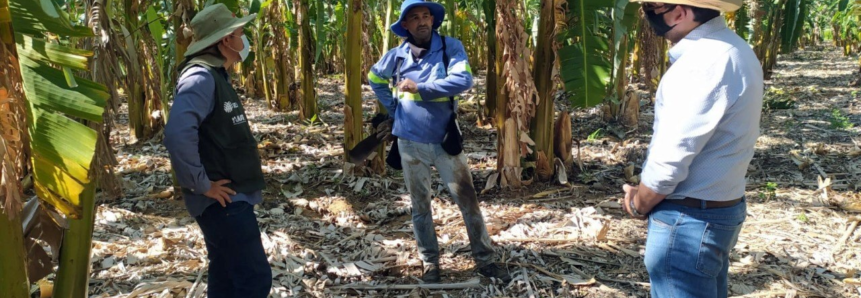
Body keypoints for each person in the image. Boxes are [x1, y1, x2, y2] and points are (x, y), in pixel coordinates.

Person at [622, 0, 762, 297]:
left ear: (679, 13)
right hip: (719, 208)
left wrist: (638, 203)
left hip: (689, 219)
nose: (646, 14)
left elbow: (670, 161)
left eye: (651, 6)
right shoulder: (734, 48)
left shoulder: (702, 63)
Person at [366, 0, 511, 284]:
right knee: (420, 206)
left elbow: (463, 81)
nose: (421, 22)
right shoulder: (396, 56)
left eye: (425, 16)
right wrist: (394, 112)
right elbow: (374, 77)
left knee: (468, 202)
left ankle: (486, 260)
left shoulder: (449, 48)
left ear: (432, 20)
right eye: (414, 18)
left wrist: (422, 88)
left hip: (445, 141)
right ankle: (430, 263)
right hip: (410, 144)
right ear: (405, 25)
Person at [164, 4, 271, 297]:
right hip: (223, 203)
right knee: (254, 279)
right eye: (239, 33)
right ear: (225, 41)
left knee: (225, 274)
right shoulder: (200, 78)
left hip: (229, 200)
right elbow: (176, 134)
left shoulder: (216, 75)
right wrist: (201, 184)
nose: (244, 39)